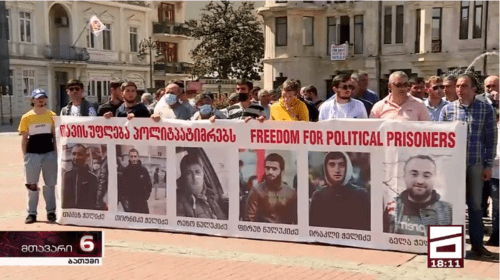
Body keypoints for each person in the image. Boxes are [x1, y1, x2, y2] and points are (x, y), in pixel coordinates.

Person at [439, 73, 498, 258]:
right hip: (452, 166)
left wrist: (488, 165)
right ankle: (446, 247)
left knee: (475, 206)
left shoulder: (485, 109)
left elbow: (491, 140)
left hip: (475, 163)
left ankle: (477, 245)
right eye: (457, 86)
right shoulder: (447, 110)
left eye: (464, 86)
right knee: (449, 204)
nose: (459, 89)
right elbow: (440, 139)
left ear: (474, 89)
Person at [383, 155, 452, 236]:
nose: (420, 181)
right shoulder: (392, 207)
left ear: (434, 179)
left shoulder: (448, 211)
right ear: (404, 177)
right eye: (414, 174)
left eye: (426, 176)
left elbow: (448, 247)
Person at [19, 89, 58, 224]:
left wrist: (56, 154)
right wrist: (25, 156)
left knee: (50, 185)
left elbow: (55, 136)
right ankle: (31, 213)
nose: (41, 100)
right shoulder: (26, 117)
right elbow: (24, 139)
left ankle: (51, 212)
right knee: (31, 185)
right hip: (32, 154)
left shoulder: (52, 115)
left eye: (43, 97)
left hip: (49, 154)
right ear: (32, 100)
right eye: (38, 98)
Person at [309, 152, 370, 230]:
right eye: (332, 165)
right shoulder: (318, 196)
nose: (337, 170)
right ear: (326, 168)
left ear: (347, 167)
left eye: (341, 165)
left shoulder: (361, 195)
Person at [244, 153, 297, 224]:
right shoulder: (256, 191)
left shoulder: (291, 192)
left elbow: (297, 221)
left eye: (274, 169)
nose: (270, 172)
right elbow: (249, 221)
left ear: (282, 171)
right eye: (267, 168)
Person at [176, 153, 227, 219]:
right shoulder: (178, 201)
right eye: (189, 173)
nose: (195, 177)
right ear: (183, 176)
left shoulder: (211, 195)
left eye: (197, 172)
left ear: (202, 173)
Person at [62, 144, 99, 210]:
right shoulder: (66, 176)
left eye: (80, 154)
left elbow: (94, 201)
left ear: (86, 156)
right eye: (74, 154)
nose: (76, 157)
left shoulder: (92, 178)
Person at [118, 149, 153, 214]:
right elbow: (123, 188)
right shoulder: (126, 171)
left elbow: (149, 184)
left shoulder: (143, 170)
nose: (133, 159)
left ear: (138, 157)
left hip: (142, 203)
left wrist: (146, 196)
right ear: (129, 157)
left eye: (135, 156)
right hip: (131, 204)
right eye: (131, 157)